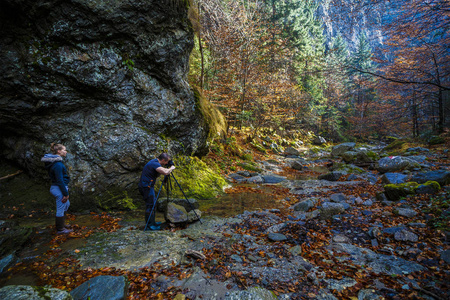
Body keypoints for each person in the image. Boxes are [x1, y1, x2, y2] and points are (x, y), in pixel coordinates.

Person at [41, 143, 73, 234]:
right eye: (64, 150)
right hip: (58, 188)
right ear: (59, 151)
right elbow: (60, 180)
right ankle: (60, 229)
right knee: (61, 206)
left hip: (58, 187)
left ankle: (62, 224)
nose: (66, 151)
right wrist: (65, 194)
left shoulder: (55, 162)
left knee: (66, 204)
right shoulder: (58, 164)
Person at [138, 153, 175, 231]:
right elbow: (165, 172)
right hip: (146, 187)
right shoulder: (154, 164)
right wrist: (171, 168)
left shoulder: (155, 162)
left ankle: (153, 223)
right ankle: (150, 226)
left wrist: (169, 168)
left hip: (147, 186)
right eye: (166, 162)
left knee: (153, 204)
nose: (166, 163)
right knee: (150, 205)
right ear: (163, 160)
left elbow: (163, 170)